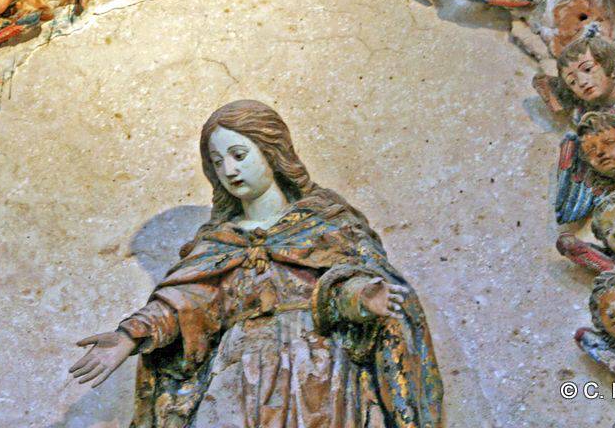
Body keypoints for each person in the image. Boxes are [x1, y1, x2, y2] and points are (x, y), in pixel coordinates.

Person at [69, 100, 442, 428]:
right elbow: (187, 302)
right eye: (218, 162)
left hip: (315, 374)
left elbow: (345, 283)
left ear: (271, 152)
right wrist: (129, 336)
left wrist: (361, 297)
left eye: (239, 155)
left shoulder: (326, 225)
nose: (229, 170)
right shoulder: (218, 242)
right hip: (235, 375)